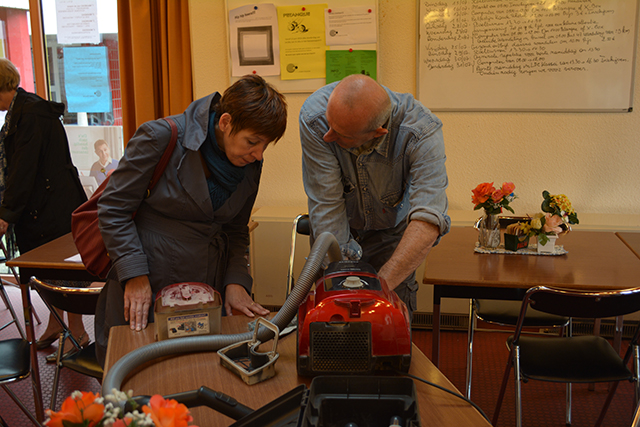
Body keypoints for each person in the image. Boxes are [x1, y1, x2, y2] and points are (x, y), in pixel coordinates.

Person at [94, 74, 287, 365]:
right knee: (142, 378)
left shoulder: (249, 162)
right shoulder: (160, 137)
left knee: (201, 371)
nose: (259, 154)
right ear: (225, 122)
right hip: (149, 276)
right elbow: (113, 208)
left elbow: (236, 228)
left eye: (265, 145)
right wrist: (133, 274)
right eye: (253, 141)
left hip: (209, 285)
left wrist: (235, 282)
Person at [299, 74, 450, 319]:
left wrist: (378, 290)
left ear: (377, 132)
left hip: (391, 239)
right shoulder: (315, 118)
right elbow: (326, 204)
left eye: (341, 135)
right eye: (330, 126)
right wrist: (345, 286)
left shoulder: (422, 133)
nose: (328, 137)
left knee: (387, 324)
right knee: (333, 320)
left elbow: (428, 220)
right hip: (336, 235)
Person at [0, 58, 89, 356]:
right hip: (46, 202)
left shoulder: (30, 114)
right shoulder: (22, 110)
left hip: (53, 204)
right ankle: (55, 325)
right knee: (48, 274)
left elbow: (23, 170)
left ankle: (77, 334)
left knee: (62, 273)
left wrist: (6, 214)